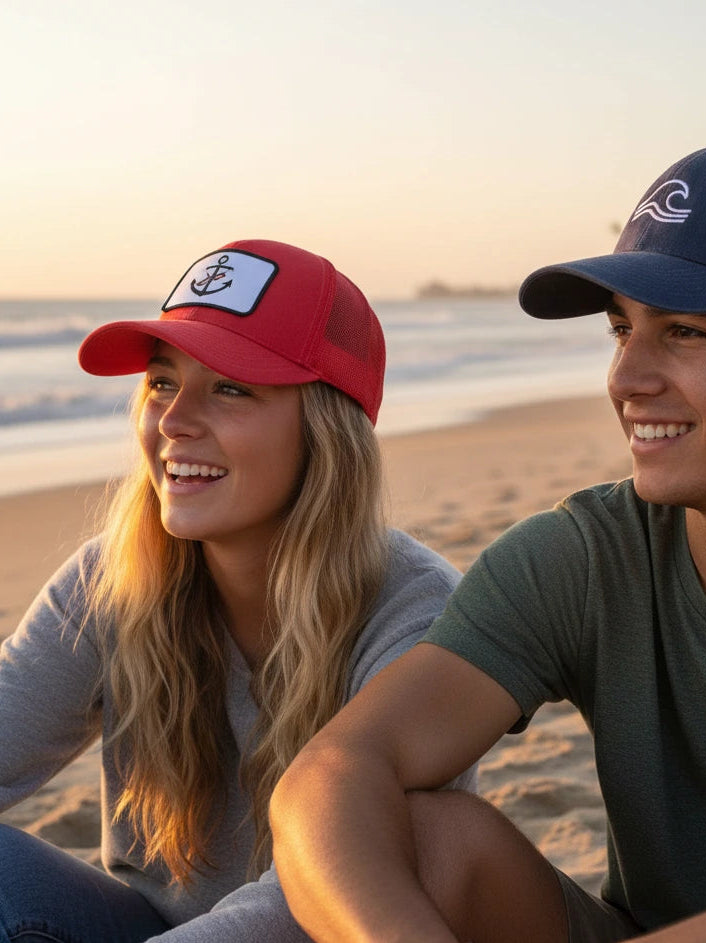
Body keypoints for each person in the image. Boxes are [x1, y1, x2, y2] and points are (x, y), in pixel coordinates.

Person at [269, 144, 706, 943]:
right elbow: (331, 775)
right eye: (622, 329)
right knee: (428, 842)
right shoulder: (584, 556)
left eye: (685, 333)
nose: (626, 377)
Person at [0, 239, 474, 943]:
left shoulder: (416, 612)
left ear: (324, 429)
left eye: (230, 387)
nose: (175, 420)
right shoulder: (112, 578)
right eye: (162, 382)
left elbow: (328, 893)